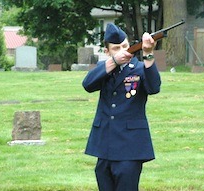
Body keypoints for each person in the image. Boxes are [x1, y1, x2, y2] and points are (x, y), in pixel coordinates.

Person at [81, 23, 161, 191]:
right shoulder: (105, 70)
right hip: (105, 146)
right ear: (107, 52)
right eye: (116, 48)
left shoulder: (139, 68)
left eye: (125, 46)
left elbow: (154, 87)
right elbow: (87, 84)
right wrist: (113, 63)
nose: (123, 50)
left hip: (130, 146)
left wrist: (147, 53)